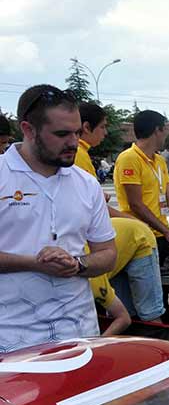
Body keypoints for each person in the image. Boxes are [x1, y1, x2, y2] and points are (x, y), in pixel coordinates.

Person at [0, 85, 116, 352]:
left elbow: (108, 252)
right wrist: (34, 263)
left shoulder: (86, 184)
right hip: (11, 341)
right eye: (62, 134)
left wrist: (76, 264)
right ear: (28, 130)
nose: (74, 142)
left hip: (79, 334)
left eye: (77, 132)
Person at [76, 102, 164, 322]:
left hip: (125, 238)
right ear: (86, 127)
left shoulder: (159, 160)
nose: (106, 133)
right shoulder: (78, 153)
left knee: (125, 313)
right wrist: (140, 224)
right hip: (131, 237)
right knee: (146, 311)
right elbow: (133, 204)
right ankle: (155, 327)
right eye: (103, 127)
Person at [114, 110, 169, 264]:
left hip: (161, 233)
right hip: (141, 235)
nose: (165, 136)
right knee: (150, 286)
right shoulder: (129, 158)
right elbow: (136, 204)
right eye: (164, 131)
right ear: (157, 130)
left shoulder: (160, 161)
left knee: (168, 285)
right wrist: (167, 232)